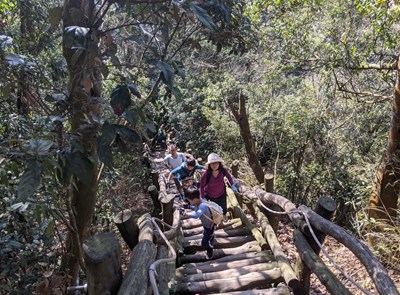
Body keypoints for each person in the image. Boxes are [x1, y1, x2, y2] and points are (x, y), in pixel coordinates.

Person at [200, 153, 237, 221]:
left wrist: (232, 185)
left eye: (216, 163)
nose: (214, 165)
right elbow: (201, 186)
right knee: (212, 210)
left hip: (221, 193)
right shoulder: (206, 174)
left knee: (223, 208)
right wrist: (203, 197)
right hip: (209, 194)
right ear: (209, 165)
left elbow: (228, 176)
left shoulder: (223, 170)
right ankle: (214, 222)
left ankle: (224, 217)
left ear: (219, 163)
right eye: (212, 163)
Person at [182, 185, 215, 259]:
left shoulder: (202, 205)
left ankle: (210, 251)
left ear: (194, 200)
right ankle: (211, 239)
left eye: (189, 201)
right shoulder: (200, 201)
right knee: (206, 234)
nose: (189, 202)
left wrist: (187, 214)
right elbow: (196, 208)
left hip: (210, 226)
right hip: (206, 225)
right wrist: (189, 207)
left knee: (205, 242)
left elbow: (197, 214)